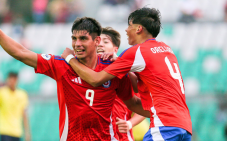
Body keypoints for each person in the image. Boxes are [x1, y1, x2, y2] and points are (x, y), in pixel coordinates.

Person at [0, 9, 137, 140]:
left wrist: (159, 116)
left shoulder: (111, 69)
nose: (77, 44)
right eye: (74, 38)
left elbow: (135, 102)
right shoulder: (61, 65)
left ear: (97, 41)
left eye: (83, 38)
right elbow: (21, 53)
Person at [61, 7, 192, 141]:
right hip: (184, 125)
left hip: (164, 125)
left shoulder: (136, 52)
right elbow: (138, 86)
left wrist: (70, 59)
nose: (126, 30)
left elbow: (96, 79)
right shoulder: (166, 49)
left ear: (138, 29)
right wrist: (120, 61)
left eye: (129, 25)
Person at [98, 27, 148, 141]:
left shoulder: (125, 75)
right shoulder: (85, 73)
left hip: (120, 136)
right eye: (97, 41)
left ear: (115, 50)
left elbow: (144, 105)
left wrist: (130, 123)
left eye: (105, 42)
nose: (100, 45)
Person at [0, 72, 30, 141]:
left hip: (17, 131)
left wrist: (27, 133)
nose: (12, 82)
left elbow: (24, 114)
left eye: (14, 80)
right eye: (10, 80)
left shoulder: (22, 94)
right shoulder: (0, 92)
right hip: (4, 130)